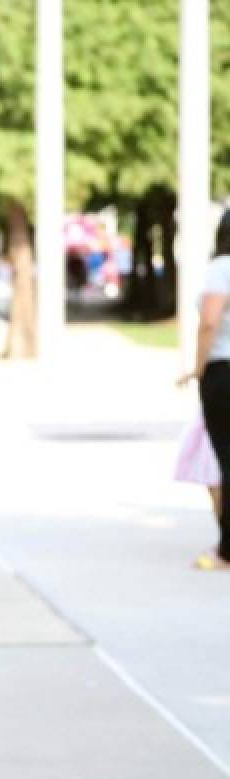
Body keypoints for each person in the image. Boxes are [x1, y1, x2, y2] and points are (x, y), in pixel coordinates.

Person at [178, 207, 230, 571]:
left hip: (224, 370)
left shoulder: (221, 268)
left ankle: (227, 551)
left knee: (226, 460)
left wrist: (198, 368)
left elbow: (210, 321)